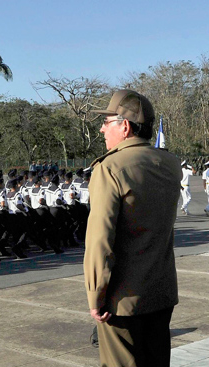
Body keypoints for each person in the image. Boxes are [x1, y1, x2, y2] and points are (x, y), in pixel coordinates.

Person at [84, 89, 182, 367]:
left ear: (124, 126)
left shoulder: (110, 168)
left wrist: (96, 294)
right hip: (161, 291)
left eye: (106, 122)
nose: (102, 129)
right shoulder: (170, 163)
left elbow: (100, 240)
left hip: (123, 297)